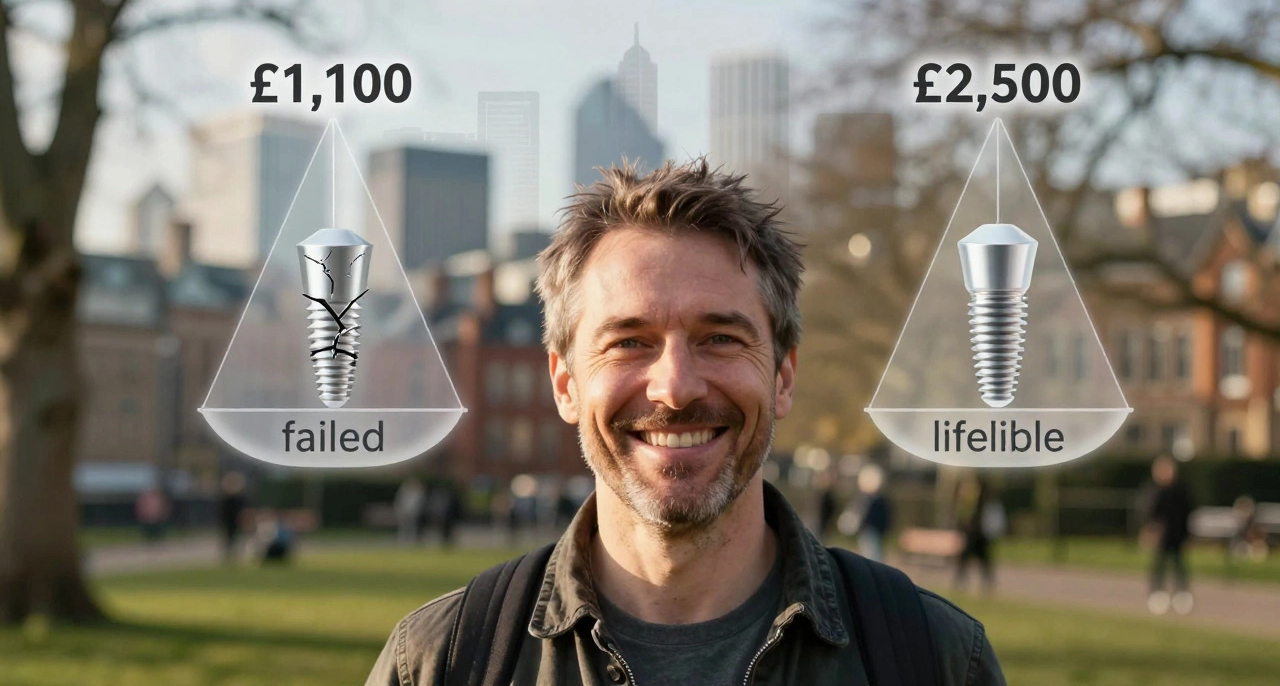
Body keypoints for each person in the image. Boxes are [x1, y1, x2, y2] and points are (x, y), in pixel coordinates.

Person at [366, 158, 1006, 685]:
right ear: (565, 384)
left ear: (783, 377)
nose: (674, 388)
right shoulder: (441, 663)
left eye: (720, 338)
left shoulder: (934, 659)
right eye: (629, 342)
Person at [1143, 455, 1195, 615]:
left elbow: (1188, 510)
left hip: (1178, 534)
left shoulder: (1181, 490)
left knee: (1179, 565)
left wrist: (1186, 532)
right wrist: (1150, 531)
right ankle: (1157, 594)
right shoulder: (1154, 491)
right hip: (1162, 537)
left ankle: (1182, 595)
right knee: (1159, 566)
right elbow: (1149, 514)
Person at [954, 477, 1003, 594]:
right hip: (974, 534)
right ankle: (964, 581)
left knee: (981, 561)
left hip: (980, 535)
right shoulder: (975, 499)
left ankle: (985, 583)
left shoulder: (985, 503)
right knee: (971, 559)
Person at [855, 464, 891, 563]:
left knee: (873, 555)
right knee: (873, 555)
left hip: (872, 530)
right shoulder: (870, 499)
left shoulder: (872, 499)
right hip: (870, 530)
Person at [218, 472, 247, 564]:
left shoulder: (239, 499)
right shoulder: (226, 499)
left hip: (237, 521)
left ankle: (235, 556)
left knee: (237, 539)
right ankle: (228, 556)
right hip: (229, 521)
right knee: (229, 539)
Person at [394, 477, 426, 545]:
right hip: (404, 512)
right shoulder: (404, 492)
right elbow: (400, 502)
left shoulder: (418, 493)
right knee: (404, 526)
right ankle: (402, 539)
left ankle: (412, 540)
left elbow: (419, 504)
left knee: (412, 527)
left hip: (414, 513)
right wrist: (400, 511)